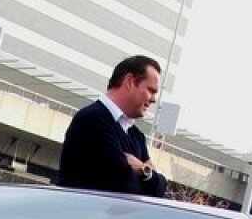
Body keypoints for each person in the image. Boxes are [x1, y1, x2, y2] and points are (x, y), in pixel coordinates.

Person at [56, 55, 168, 197]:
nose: (153, 100)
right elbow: (124, 186)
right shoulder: (92, 120)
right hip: (81, 216)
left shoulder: (136, 135)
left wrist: (142, 170)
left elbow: (157, 191)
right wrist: (148, 175)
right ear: (129, 81)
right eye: (151, 90)